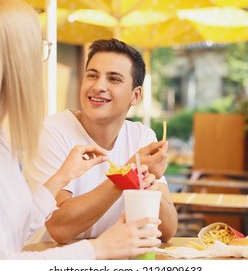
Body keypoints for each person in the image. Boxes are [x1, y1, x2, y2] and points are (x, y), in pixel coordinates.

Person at [0, 0, 162, 260]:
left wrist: (61, 177)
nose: (40, 60)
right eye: (38, 48)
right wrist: (99, 248)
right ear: (11, 58)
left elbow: (14, 231)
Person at [25, 38, 178, 244]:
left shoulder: (142, 137)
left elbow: (167, 231)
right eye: (92, 75)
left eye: (113, 79)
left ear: (135, 95)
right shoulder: (53, 131)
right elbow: (60, 228)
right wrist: (127, 175)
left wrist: (152, 187)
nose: (98, 86)